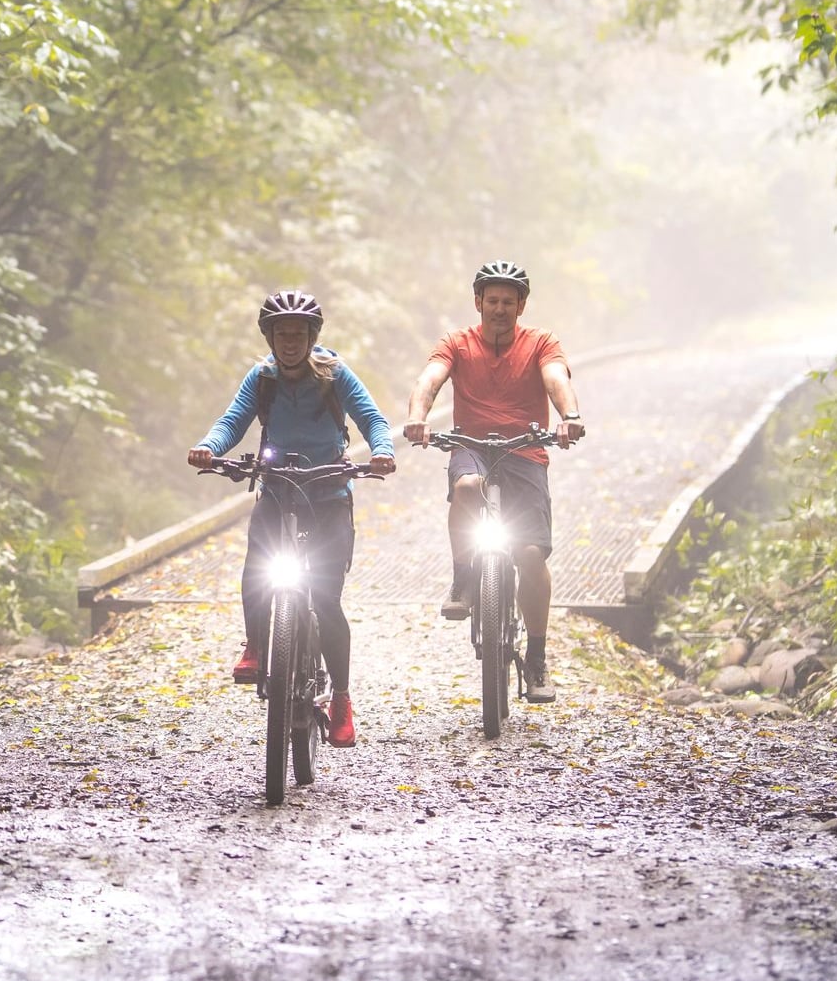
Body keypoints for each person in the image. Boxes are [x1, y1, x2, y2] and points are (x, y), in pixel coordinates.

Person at [186, 289, 396, 748]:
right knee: (259, 560)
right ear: (270, 336)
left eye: (298, 333)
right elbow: (232, 421)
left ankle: (340, 699)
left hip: (329, 492)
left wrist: (381, 450)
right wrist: (209, 447)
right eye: (281, 333)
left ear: (311, 336)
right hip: (278, 488)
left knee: (325, 598)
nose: (289, 341)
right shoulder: (262, 377)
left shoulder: (335, 374)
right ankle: (257, 643)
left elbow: (373, 419)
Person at [398, 259, 587, 703]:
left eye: (508, 302)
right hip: (470, 444)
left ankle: (537, 659)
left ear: (521, 306)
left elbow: (555, 377)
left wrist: (569, 417)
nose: (499, 309)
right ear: (478, 301)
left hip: (526, 448)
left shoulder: (541, 342)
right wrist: (416, 418)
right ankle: (464, 576)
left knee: (529, 554)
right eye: (492, 300)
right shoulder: (457, 342)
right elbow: (430, 379)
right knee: (465, 489)